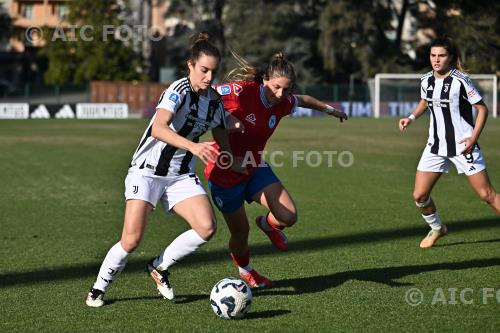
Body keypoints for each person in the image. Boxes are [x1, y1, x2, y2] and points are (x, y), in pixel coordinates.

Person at [86, 32, 234, 307]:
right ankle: (97, 288)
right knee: (131, 240)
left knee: (206, 227)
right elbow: (159, 128)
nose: (209, 77)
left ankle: (159, 267)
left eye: (214, 72)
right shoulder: (177, 90)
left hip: (179, 174)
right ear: (190, 65)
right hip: (147, 170)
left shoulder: (215, 102)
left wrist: (235, 156)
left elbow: (223, 141)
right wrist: (193, 147)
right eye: (203, 70)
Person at [204, 52, 348, 287]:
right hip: (225, 172)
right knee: (241, 234)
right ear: (264, 80)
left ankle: (267, 224)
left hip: (255, 167)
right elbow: (206, 96)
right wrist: (226, 118)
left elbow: (304, 100)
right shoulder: (240, 92)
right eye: (275, 87)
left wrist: (332, 111)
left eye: (286, 89)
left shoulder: (283, 102)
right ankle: (246, 271)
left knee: (288, 216)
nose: (280, 94)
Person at [399, 37, 500, 248]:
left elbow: (482, 109)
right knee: (420, 195)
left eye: (441, 55)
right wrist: (411, 117)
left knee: (487, 195)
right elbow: (425, 101)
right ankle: (437, 228)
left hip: (463, 146)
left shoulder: (461, 80)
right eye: (433, 55)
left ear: (451, 57)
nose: (436, 60)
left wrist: (474, 137)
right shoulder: (426, 79)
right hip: (435, 146)